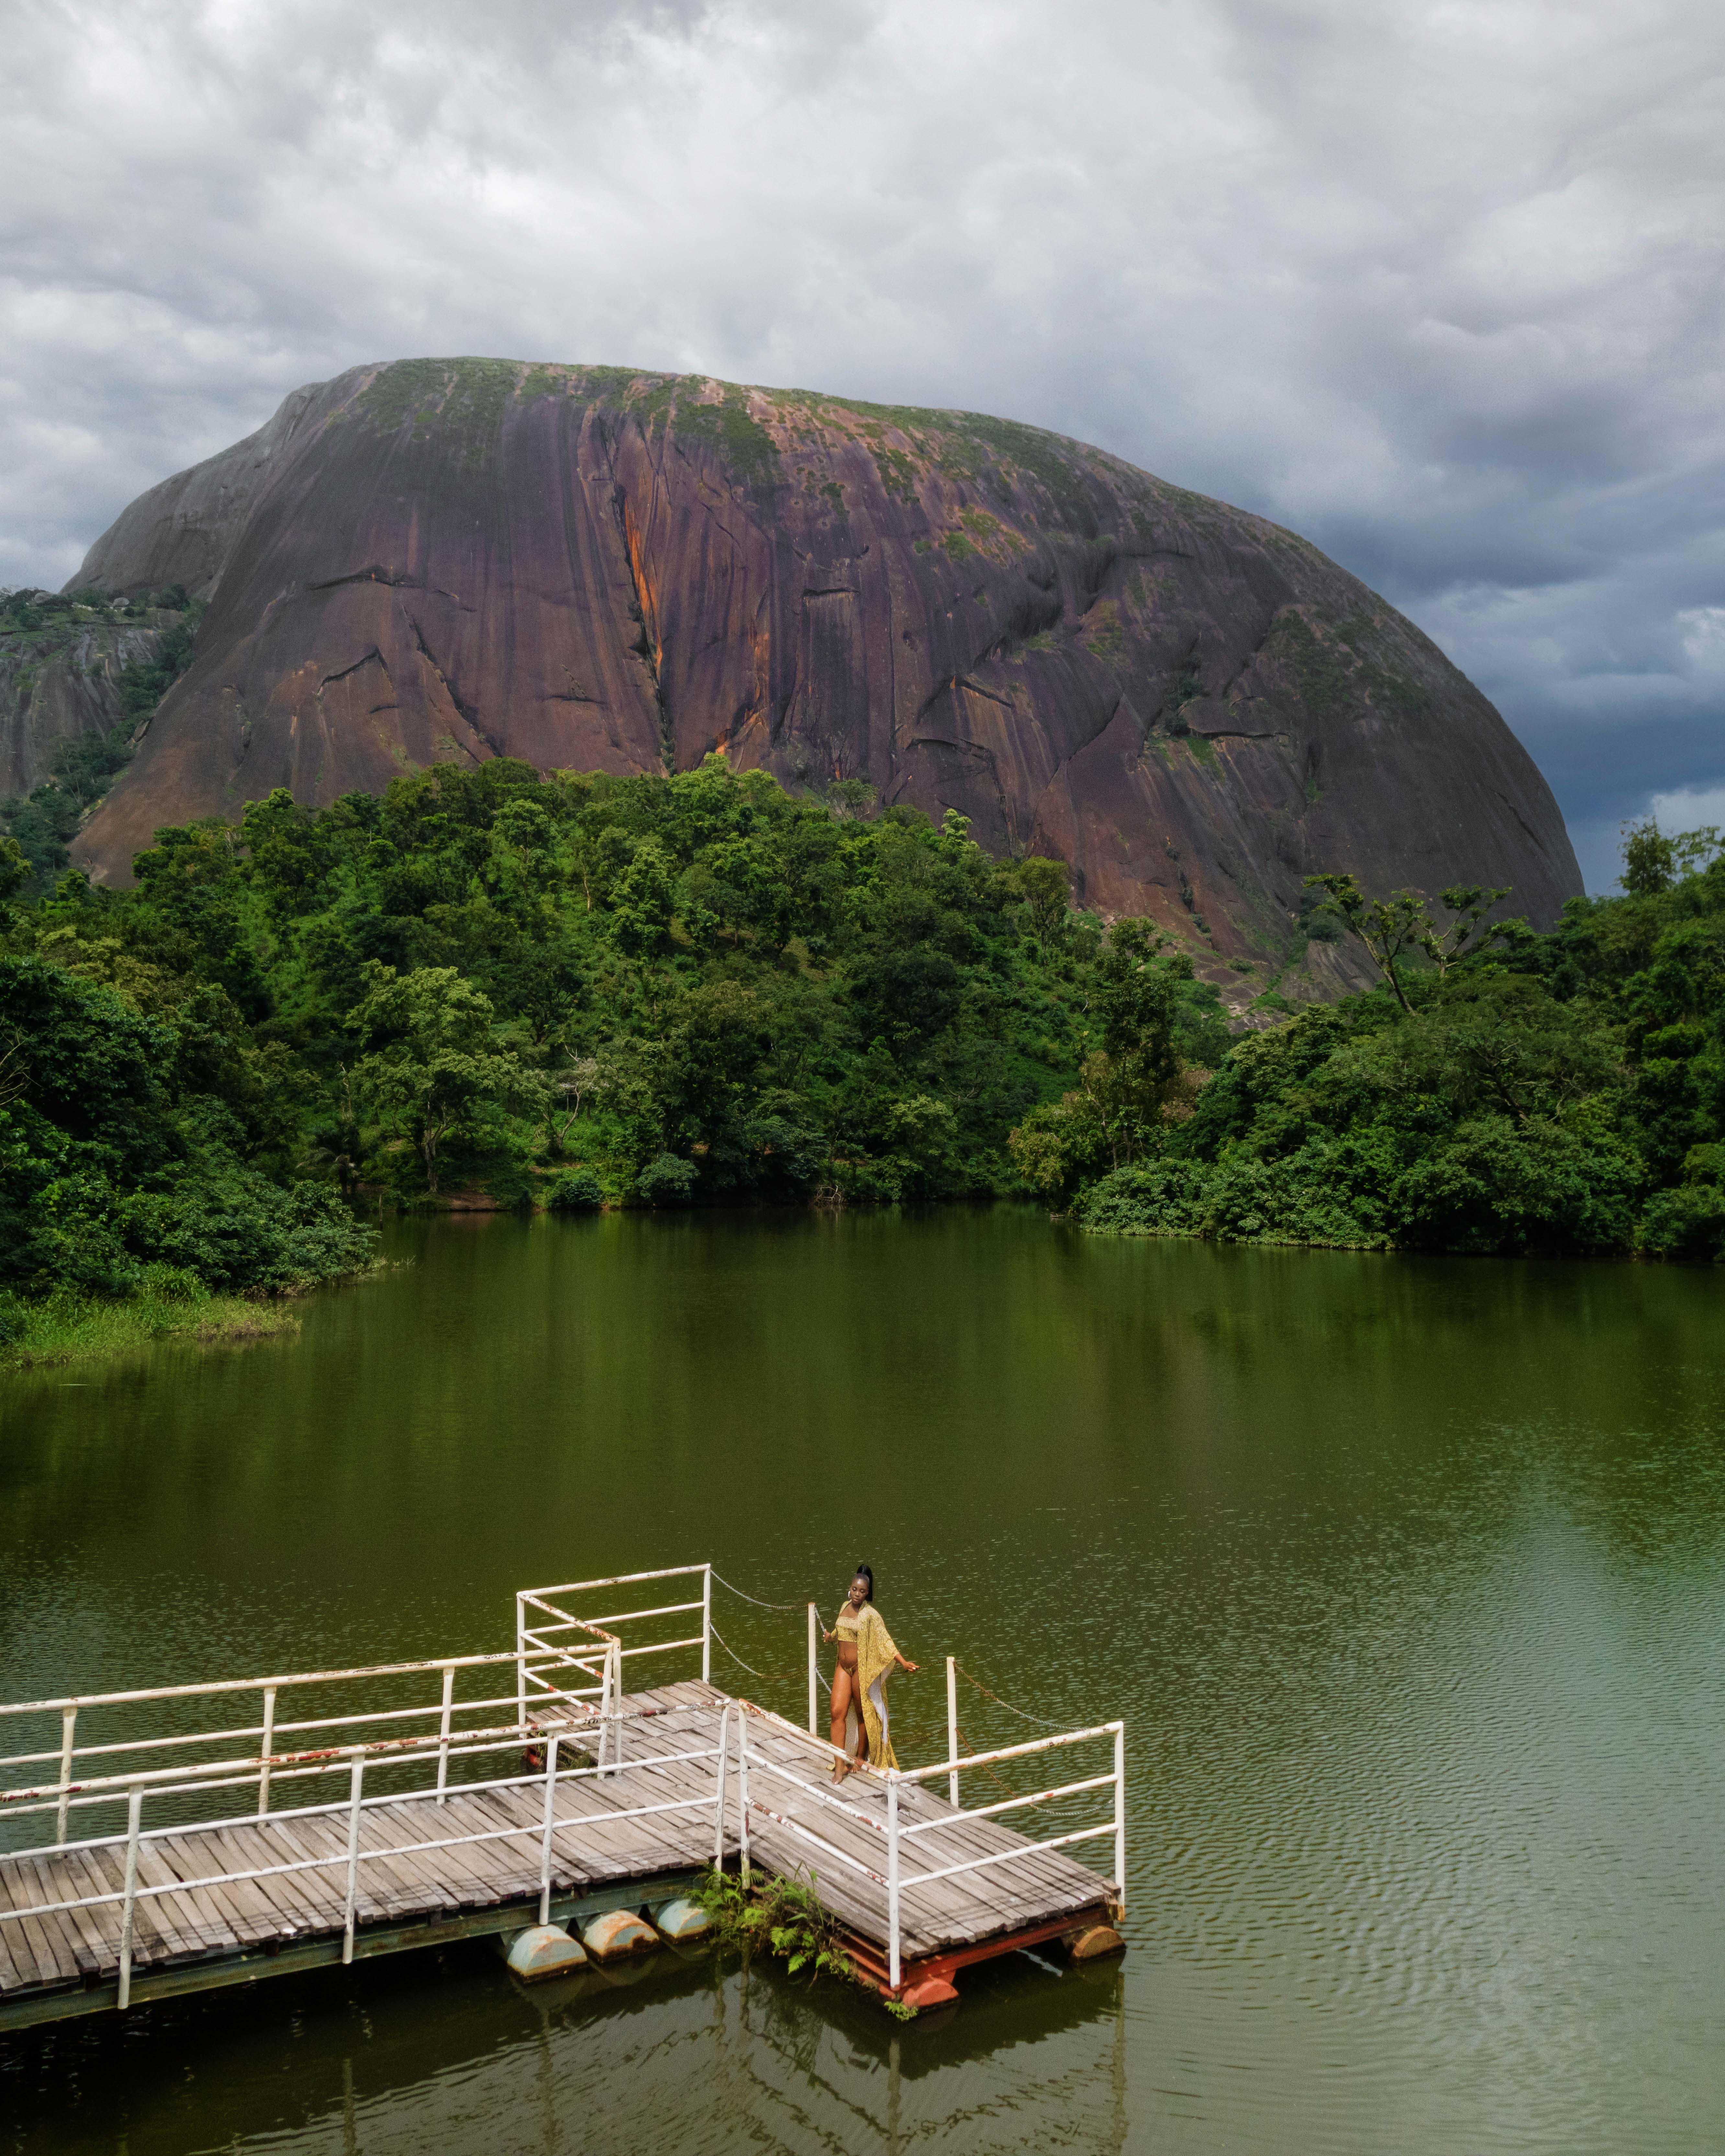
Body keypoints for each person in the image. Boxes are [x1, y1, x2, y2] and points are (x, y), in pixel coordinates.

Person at [823, 1563, 917, 1779]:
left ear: (868, 1593)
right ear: (850, 1588)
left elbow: (885, 1640)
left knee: (862, 1713)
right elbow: (840, 1631)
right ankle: (839, 1764)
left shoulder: (870, 1615)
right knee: (837, 1712)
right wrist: (830, 1638)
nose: (857, 1594)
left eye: (862, 1591)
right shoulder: (844, 1606)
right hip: (842, 1666)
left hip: (860, 1669)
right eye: (855, 1589)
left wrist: (903, 1662)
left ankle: (860, 1757)